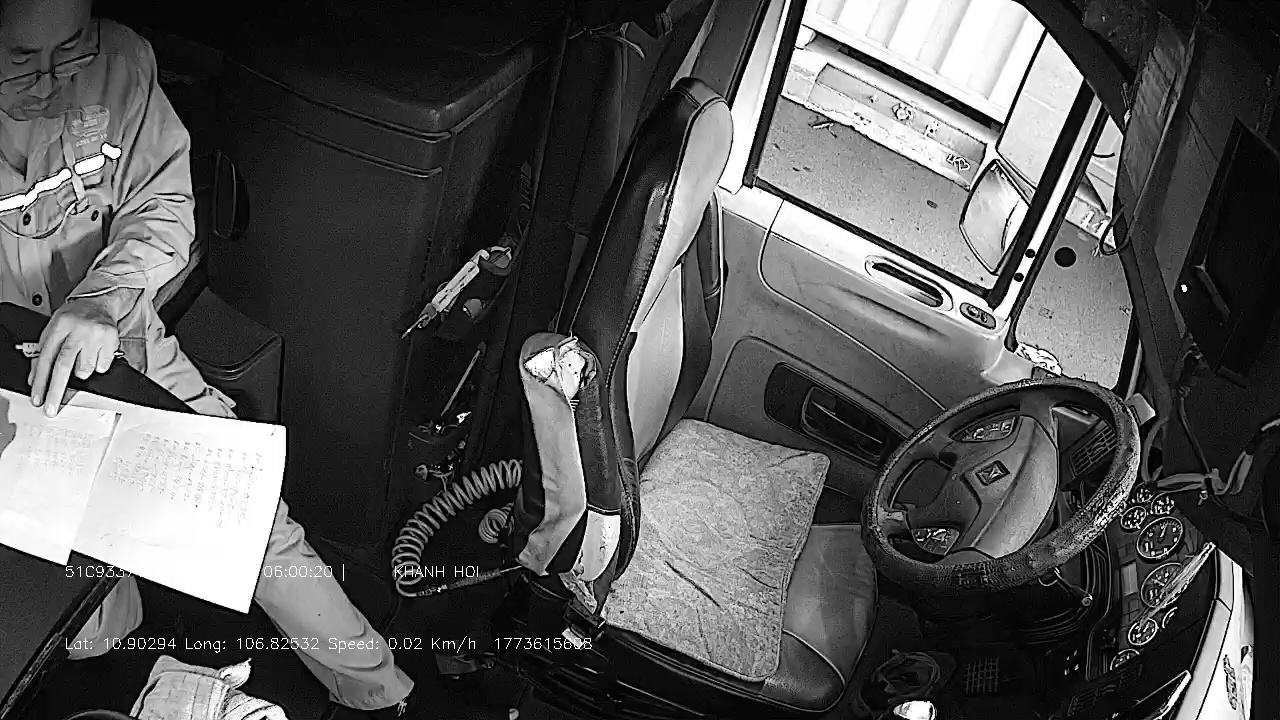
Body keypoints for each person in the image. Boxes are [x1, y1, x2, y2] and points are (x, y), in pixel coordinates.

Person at [0, 1, 416, 716]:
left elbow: (164, 206)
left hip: (126, 346)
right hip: (13, 389)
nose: (52, 80)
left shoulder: (124, 66)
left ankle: (376, 689)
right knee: (75, 611)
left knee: (251, 520)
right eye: (20, 61)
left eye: (70, 50)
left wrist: (103, 296)